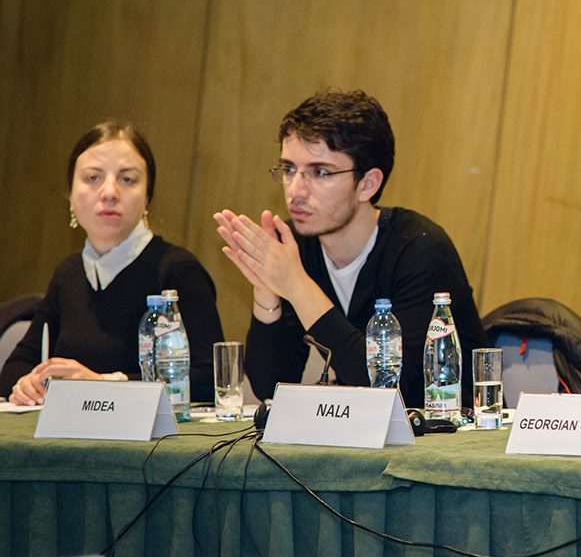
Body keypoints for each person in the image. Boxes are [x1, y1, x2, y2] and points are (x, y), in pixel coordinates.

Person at [214, 90, 488, 409]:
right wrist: (266, 292)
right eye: (288, 169)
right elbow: (271, 386)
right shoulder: (297, 247)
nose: (295, 190)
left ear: (368, 184)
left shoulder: (420, 249)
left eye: (320, 172)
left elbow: (396, 390)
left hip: (455, 430)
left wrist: (296, 285)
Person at [2, 122, 221, 405]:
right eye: (93, 178)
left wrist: (103, 384)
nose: (109, 192)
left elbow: (207, 380)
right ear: (70, 196)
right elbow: (17, 365)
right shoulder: (68, 273)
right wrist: (26, 384)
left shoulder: (178, 270)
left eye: (127, 179)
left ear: (147, 197)